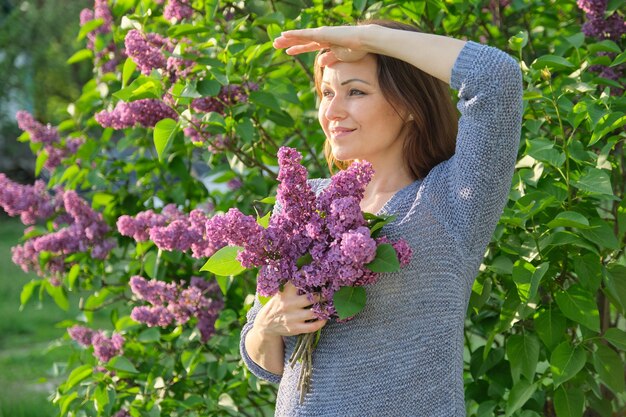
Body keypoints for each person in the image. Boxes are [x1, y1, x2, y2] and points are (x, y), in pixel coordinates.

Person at [240, 19, 523, 416]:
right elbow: (266, 364)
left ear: (407, 103)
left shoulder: (452, 198)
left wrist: (367, 38)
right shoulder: (305, 204)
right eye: (325, 92)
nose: (332, 111)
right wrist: (267, 325)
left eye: (355, 91)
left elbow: (496, 77)